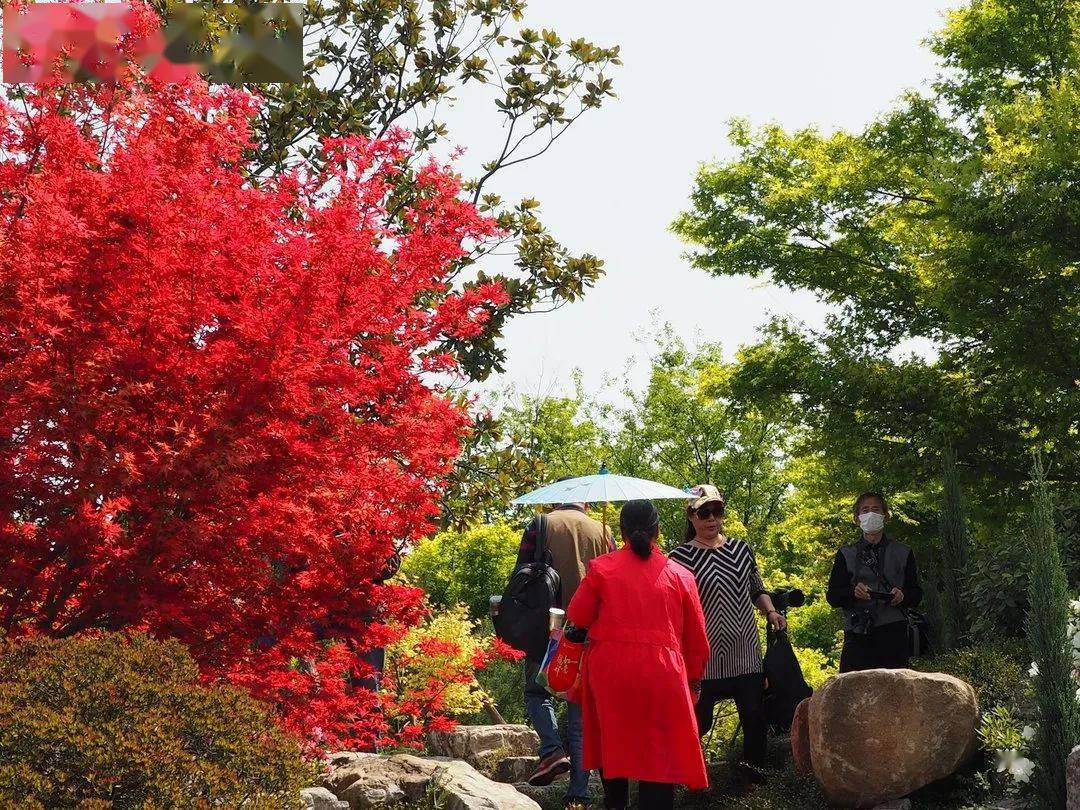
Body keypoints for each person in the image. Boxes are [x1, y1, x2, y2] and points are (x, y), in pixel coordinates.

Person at [566, 499, 710, 810]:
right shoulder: (682, 575)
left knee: (612, 747)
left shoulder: (601, 568)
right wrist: (694, 679)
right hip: (664, 675)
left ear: (622, 532)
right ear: (657, 531)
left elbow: (577, 616)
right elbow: (697, 640)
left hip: (611, 673)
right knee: (659, 757)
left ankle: (615, 804)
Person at [668, 484, 784, 778]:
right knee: (698, 721)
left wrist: (770, 611)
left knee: (754, 718)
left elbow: (756, 588)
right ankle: (688, 780)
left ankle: (751, 781)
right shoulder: (679, 557)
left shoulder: (741, 549)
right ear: (691, 516)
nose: (711, 518)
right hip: (703, 657)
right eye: (704, 512)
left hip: (744, 650)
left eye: (716, 511)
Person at [517, 492, 615, 806]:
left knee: (537, 691)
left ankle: (551, 751)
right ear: (584, 502)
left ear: (556, 500)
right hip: (589, 632)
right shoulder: (603, 530)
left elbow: (521, 575)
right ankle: (579, 795)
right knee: (580, 712)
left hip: (549, 627)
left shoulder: (541, 524)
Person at [826, 491, 923, 673]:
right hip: (858, 633)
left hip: (893, 633)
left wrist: (903, 595)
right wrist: (852, 592)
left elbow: (917, 593)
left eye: (876, 509)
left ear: (885, 515)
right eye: (865, 510)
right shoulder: (846, 553)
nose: (870, 513)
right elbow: (832, 596)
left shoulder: (903, 552)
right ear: (857, 518)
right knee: (853, 694)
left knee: (893, 695)